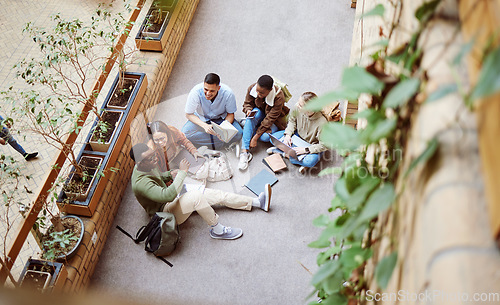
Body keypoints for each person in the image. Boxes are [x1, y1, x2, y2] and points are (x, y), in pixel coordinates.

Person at [130, 143, 272, 240]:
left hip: (170, 199)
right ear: (139, 163)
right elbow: (167, 195)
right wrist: (182, 173)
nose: (155, 158)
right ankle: (217, 230)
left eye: (154, 154)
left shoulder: (147, 165)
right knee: (197, 196)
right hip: (165, 212)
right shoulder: (141, 183)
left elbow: (159, 177)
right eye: (150, 158)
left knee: (215, 194)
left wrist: (169, 174)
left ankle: (257, 202)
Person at [267, 92, 328, 174]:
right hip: (297, 136)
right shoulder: (297, 107)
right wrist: (288, 135)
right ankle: (294, 157)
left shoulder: (322, 123)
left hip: (311, 145)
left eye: (300, 105)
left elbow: (324, 145)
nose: (297, 105)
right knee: (273, 138)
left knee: (310, 162)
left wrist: (306, 150)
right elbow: (292, 121)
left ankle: (284, 154)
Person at [238, 75, 289, 170]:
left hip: (273, 120)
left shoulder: (278, 97)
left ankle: (248, 128)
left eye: (261, 93)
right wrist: (248, 110)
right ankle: (244, 152)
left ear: (270, 90)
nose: (258, 94)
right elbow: (247, 103)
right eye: (257, 91)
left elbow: (269, 120)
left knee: (265, 137)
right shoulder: (252, 88)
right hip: (259, 112)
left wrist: (255, 137)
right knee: (252, 117)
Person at [181, 73, 243, 150]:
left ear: (218, 88)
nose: (208, 93)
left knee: (239, 133)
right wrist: (204, 126)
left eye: (212, 91)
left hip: (221, 118)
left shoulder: (228, 93)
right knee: (184, 134)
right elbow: (188, 114)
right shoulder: (195, 92)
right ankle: (219, 143)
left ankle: (215, 142)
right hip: (201, 118)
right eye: (206, 89)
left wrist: (222, 129)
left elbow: (230, 114)